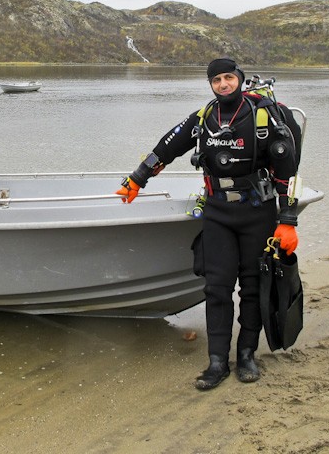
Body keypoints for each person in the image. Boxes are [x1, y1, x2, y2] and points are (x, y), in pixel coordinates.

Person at [116, 58, 302, 390]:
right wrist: (137, 178)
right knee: (216, 289)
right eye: (216, 79)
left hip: (258, 212)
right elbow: (168, 146)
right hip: (217, 212)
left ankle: (246, 355)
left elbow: (287, 172)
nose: (223, 84)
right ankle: (217, 361)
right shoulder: (204, 118)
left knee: (251, 287)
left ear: (240, 80)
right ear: (211, 84)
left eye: (229, 77)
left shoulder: (263, 117)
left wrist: (287, 221)